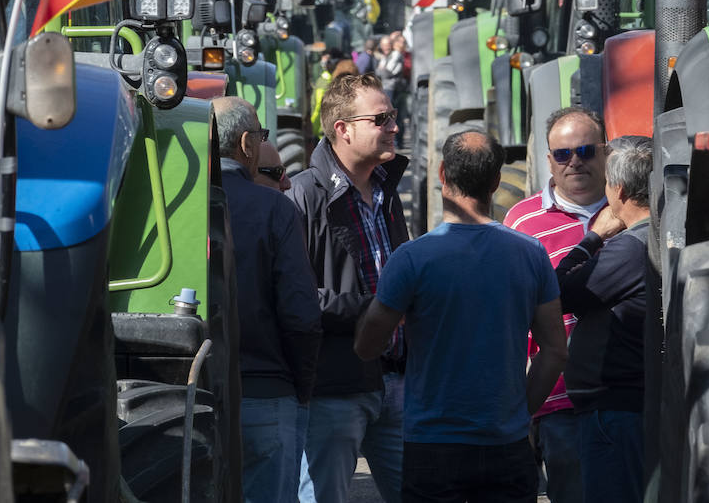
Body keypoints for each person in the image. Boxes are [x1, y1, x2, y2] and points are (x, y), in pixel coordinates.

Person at [353, 131, 568, 503]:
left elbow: (368, 346)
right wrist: (521, 412)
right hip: (506, 442)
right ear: (497, 181)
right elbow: (554, 351)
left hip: (432, 445)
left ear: (441, 174)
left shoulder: (411, 259)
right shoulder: (530, 254)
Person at [287, 73, 409, 503]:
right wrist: (377, 309)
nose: (394, 125)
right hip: (334, 388)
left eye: (392, 116)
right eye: (381, 118)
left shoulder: (386, 192)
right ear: (343, 128)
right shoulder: (302, 197)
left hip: (395, 382)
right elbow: (297, 298)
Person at [212, 96, 323, 503]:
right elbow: (302, 314)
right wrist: (301, 387)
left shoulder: (176, 207)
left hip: (191, 400)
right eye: (260, 135)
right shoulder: (274, 207)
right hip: (267, 395)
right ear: (246, 144)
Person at [502, 108, 609, 503]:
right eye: (563, 154)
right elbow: (511, 321)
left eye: (585, 150)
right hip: (559, 400)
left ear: (605, 151)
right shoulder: (522, 224)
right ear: (549, 160)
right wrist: (520, 407)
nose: (575, 161)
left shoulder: (633, 209)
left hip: (630, 392)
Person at [554, 136, 652, 503]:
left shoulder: (629, 247)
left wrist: (592, 238)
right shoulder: (645, 241)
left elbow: (560, 291)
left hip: (615, 414)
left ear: (620, 189)